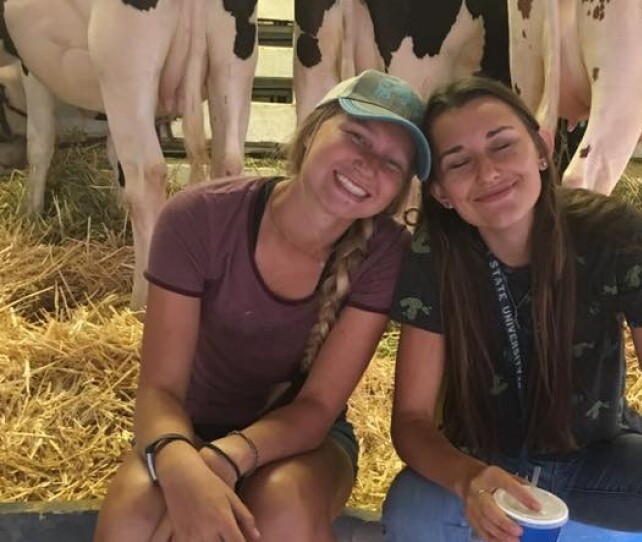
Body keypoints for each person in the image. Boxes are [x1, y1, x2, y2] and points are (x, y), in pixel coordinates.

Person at [381, 76, 642, 542]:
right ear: (440, 191)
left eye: (502, 146)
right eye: (459, 162)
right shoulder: (433, 255)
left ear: (541, 149)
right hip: (484, 465)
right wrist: (468, 478)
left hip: (598, 459)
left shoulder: (613, 235)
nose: (488, 172)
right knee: (410, 515)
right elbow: (412, 422)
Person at [94, 69, 431, 542]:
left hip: (301, 441)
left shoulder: (386, 253)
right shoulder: (199, 218)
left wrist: (225, 459)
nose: (368, 165)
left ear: (400, 190)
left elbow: (316, 407)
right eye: (357, 136)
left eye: (394, 164)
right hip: (185, 427)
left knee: (284, 505)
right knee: (133, 517)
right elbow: (159, 391)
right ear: (313, 129)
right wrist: (182, 462)